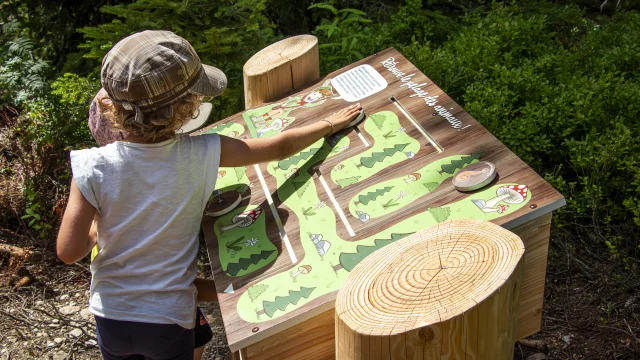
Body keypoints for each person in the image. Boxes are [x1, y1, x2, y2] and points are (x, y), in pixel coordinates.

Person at [56, 30, 362, 360]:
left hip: (110, 317)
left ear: (112, 106)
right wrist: (330, 123)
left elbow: (69, 251)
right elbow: (280, 147)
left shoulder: (91, 165)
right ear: (187, 107)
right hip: (169, 319)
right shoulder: (204, 151)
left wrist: (99, 229)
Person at [86, 88, 217, 360]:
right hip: (168, 313)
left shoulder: (103, 187)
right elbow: (182, 283)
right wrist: (230, 291)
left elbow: (76, 247)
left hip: (114, 318)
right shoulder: (158, 196)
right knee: (194, 340)